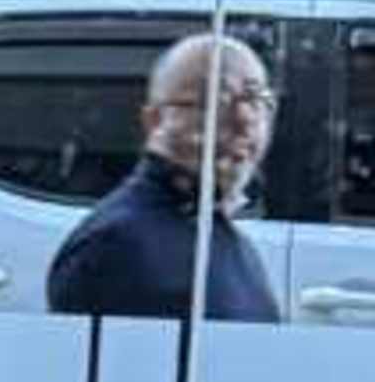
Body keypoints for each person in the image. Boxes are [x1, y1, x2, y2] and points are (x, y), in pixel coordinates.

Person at [46, 31, 282, 323]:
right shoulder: (115, 245)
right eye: (216, 100)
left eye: (256, 100)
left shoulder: (229, 241)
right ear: (155, 120)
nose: (245, 119)